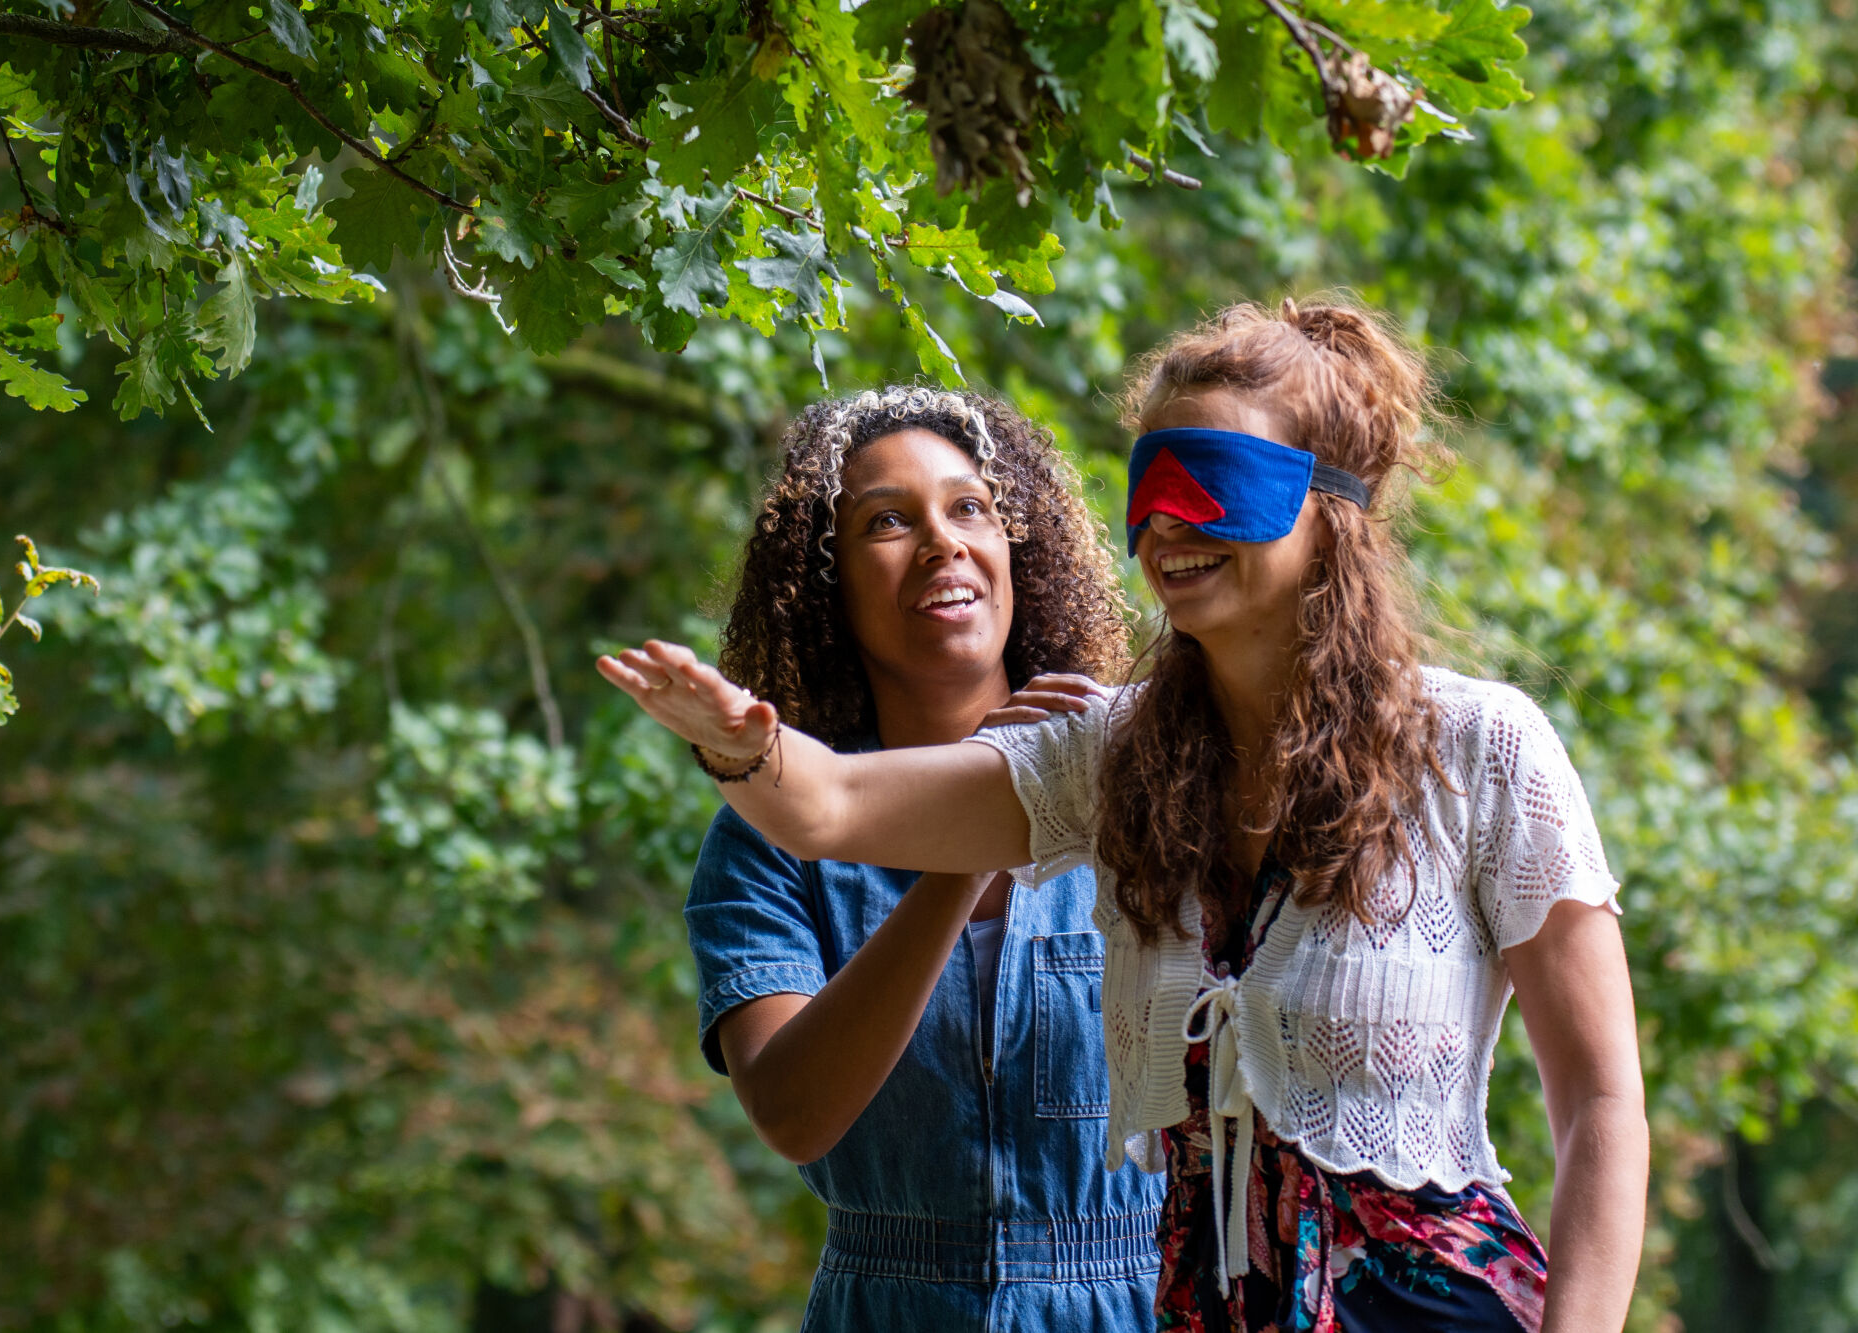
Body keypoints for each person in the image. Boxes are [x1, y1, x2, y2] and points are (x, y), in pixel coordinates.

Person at [600, 298, 1648, 1333]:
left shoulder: (1479, 748)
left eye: (1213, 482)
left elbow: (1601, 1102)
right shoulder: (1108, 761)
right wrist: (740, 743)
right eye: (1150, 488)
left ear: (1326, 505)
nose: (1169, 522)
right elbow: (824, 804)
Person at [682, 386, 1165, 1331]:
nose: (943, 541)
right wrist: (973, 842)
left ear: (1019, 549)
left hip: (1144, 1299)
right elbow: (792, 1113)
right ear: (825, 584)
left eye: (970, 507)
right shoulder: (769, 841)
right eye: (888, 521)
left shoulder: (1146, 786)